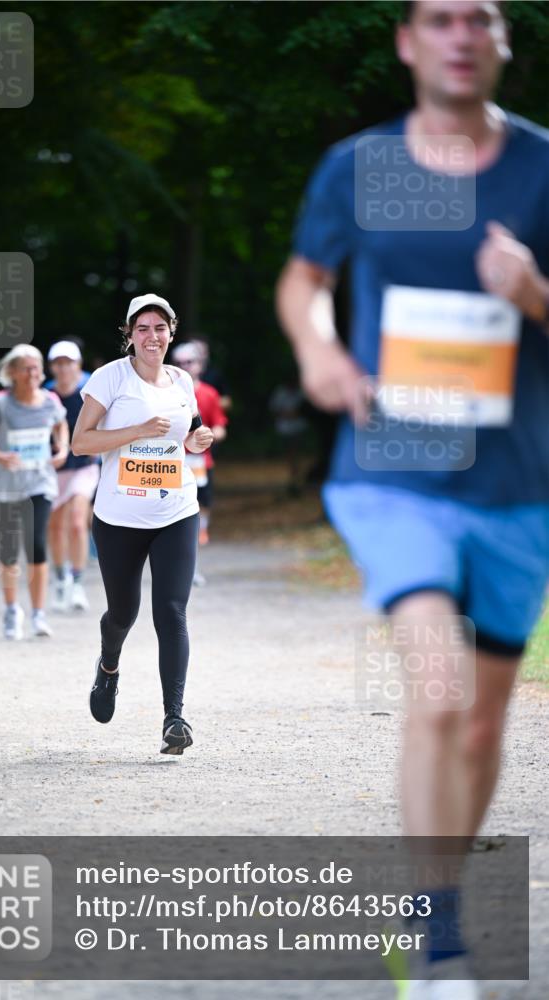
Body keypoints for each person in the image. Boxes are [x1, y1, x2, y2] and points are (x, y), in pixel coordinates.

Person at [276, 2, 549, 997]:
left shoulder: (540, 169)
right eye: (439, 19)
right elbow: (304, 282)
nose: (461, 35)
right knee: (435, 688)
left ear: (504, 44)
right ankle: (439, 946)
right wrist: (316, 349)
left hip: (517, 482)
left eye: (481, 19)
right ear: (407, 42)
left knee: (480, 724)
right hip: (394, 469)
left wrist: (533, 298)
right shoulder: (361, 167)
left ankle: (427, 904)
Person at [72, 294, 214, 755]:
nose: (151, 337)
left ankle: (175, 718)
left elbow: (189, 433)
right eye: (142, 329)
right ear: (129, 335)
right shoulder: (109, 378)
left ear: (171, 333)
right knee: (123, 613)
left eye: (159, 328)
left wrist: (198, 438)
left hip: (175, 510)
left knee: (171, 611)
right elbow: (80, 443)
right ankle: (108, 666)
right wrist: (135, 431)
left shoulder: (182, 381)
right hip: (118, 517)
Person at [0, 345, 69, 640]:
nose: (33, 374)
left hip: (39, 483)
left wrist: (61, 447)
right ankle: (12, 609)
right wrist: (0, 456)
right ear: (12, 372)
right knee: (9, 550)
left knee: (36, 544)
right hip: (3, 487)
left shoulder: (50, 401)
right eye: (26, 368)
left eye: (36, 367)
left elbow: (61, 425)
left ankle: (39, 613)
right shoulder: (0, 403)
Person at [45, 340, 98, 612]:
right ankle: (60, 579)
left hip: (83, 468)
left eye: (69, 362)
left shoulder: (89, 394)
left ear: (78, 366)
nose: (64, 368)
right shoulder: (45, 396)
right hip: (53, 470)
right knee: (55, 527)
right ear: (53, 367)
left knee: (78, 523)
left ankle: (77, 584)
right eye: (59, 363)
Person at [172, 341, 228, 585]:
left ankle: (198, 538)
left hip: (201, 460)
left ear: (200, 364)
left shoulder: (209, 393)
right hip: (173, 459)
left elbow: (220, 425)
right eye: (180, 362)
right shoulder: (168, 391)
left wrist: (209, 436)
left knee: (201, 506)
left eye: (190, 362)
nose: (185, 366)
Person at [191, 337, 233, 411]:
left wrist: (207, 402)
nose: (199, 356)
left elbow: (227, 401)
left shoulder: (215, 375)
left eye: (201, 352)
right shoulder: (179, 374)